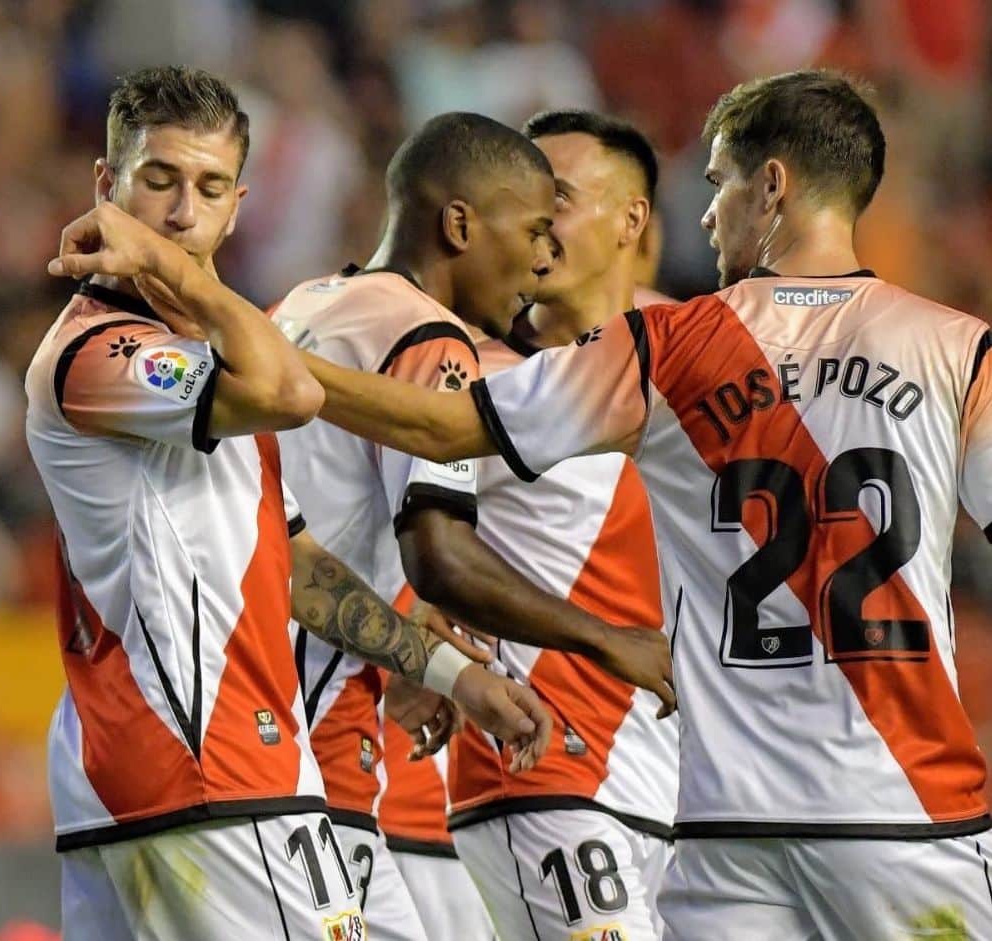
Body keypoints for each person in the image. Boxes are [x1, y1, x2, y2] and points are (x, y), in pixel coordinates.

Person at [252, 70, 992, 940]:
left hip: (727, 837)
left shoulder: (665, 347)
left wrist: (262, 362)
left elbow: (446, 428)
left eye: (716, 184)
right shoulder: (958, 349)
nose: (707, 214)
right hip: (910, 807)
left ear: (773, 186)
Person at [29, 66, 551, 941]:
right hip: (204, 770)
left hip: (178, 779)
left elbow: (298, 569)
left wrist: (452, 674)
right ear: (105, 186)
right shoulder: (101, 351)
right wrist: (171, 269)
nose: (182, 214)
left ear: (239, 203)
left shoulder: (201, 353)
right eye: (157, 181)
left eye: (207, 189)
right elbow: (293, 393)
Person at [270, 111, 673, 939]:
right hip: (309, 755)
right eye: (531, 224)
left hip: (261, 736)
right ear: (460, 224)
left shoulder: (305, 304)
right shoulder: (435, 344)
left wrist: (429, 652)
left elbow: (307, 535)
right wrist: (601, 643)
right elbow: (439, 555)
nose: (537, 255)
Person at [447, 109, 678, 940]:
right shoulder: (472, 374)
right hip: (541, 774)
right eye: (525, 202)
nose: (536, 224)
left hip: (677, 794)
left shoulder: (694, 373)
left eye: (561, 200)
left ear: (631, 221)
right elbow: (386, 529)